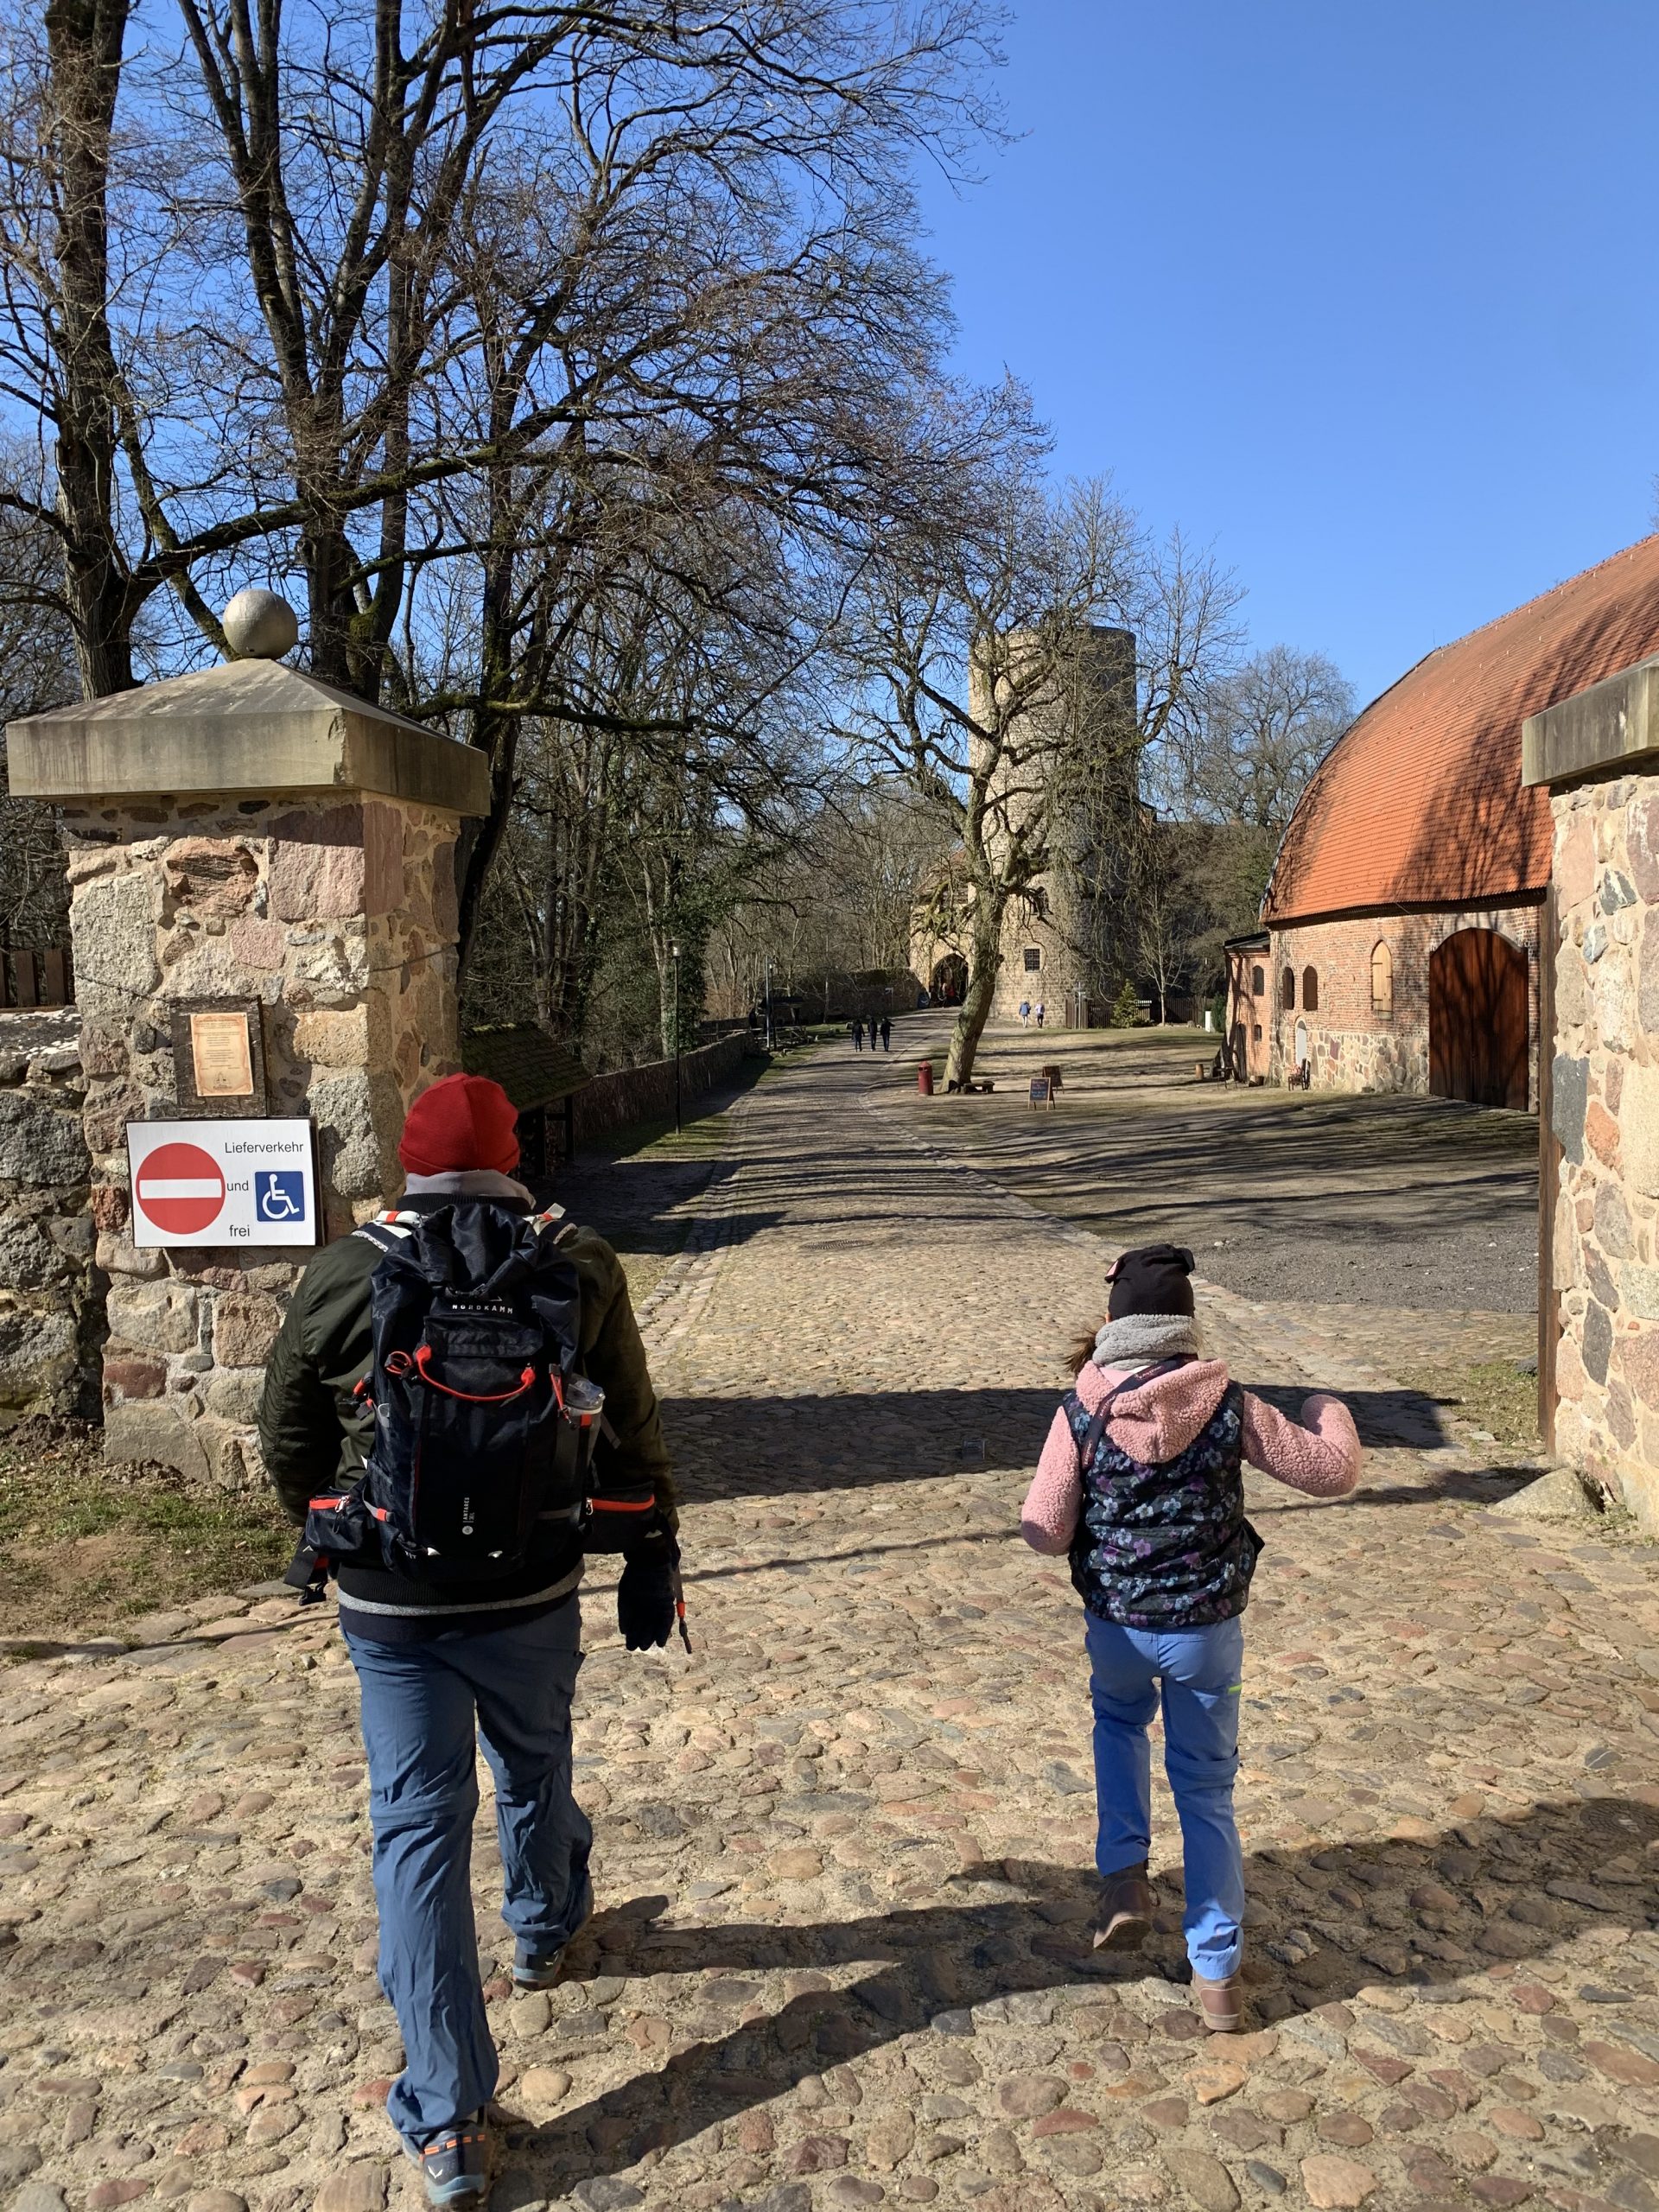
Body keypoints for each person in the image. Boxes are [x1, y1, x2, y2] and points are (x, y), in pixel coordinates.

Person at [258, 1074, 679, 2207]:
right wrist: (653, 1549)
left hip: (392, 1604)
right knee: (536, 1760)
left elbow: (286, 1440)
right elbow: (631, 1417)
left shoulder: (346, 1272)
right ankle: (544, 1930)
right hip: (532, 1588)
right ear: (511, 1152)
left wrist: (330, 1523)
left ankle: (446, 2121)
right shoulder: (575, 1262)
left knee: (417, 1830)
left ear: (407, 1160)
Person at [1020, 1243, 1359, 2032]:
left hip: (1117, 1627)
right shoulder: (1230, 1404)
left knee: (1117, 1728)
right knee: (1207, 1793)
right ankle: (1218, 1980)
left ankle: (1125, 1879)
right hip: (1206, 1630)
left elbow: (1043, 1529)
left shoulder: (1081, 1410)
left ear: (1113, 1327)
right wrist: (1326, 1410)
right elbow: (1330, 1471)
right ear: (1183, 1327)